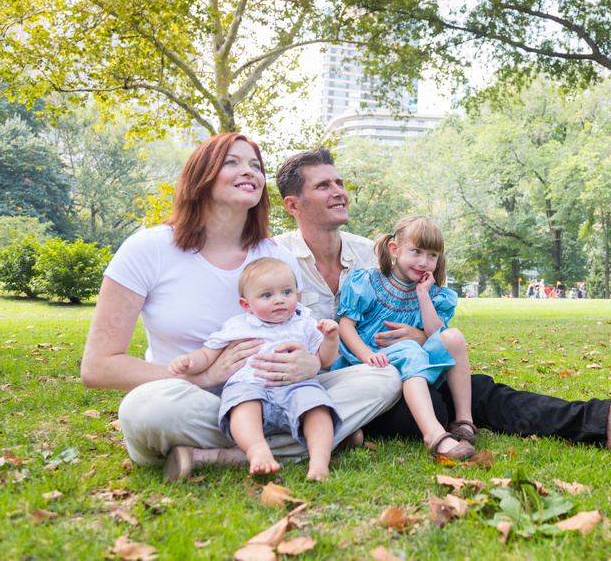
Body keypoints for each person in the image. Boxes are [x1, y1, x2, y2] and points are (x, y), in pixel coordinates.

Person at [273, 147, 611, 451]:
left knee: (478, 390)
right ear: (293, 204)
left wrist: (417, 335)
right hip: (338, 382)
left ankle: (605, 418)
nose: (339, 191)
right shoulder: (274, 258)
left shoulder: (369, 254)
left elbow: (415, 314)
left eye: (340, 182)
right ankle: (379, 429)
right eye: (323, 185)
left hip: (399, 369)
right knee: (434, 406)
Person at [81, 134, 401, 482]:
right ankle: (318, 440)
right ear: (200, 175)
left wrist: (310, 363)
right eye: (231, 162)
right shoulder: (149, 248)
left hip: (280, 396)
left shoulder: (275, 256)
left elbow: (303, 332)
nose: (248, 171)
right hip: (191, 399)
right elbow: (98, 367)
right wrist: (203, 376)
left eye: (255, 165)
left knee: (383, 377)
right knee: (144, 410)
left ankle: (218, 456)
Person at [168, 258, 342, 480]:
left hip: (296, 385)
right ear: (246, 305)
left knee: (318, 408)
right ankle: (257, 449)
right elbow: (206, 353)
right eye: (267, 295)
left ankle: (319, 462)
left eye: (286, 292)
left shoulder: (305, 323)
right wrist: (188, 363)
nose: (279, 300)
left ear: (297, 295)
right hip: (249, 385)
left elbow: (323, 360)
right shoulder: (238, 325)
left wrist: (330, 338)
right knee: (242, 405)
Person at [334, 216, 477, 461]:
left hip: (411, 357)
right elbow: (345, 326)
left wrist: (423, 294)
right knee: (411, 350)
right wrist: (367, 355)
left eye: (432, 255)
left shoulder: (433, 292)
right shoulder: (368, 281)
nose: (424, 262)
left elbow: (436, 335)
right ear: (395, 249)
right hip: (371, 357)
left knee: (453, 336)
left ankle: (464, 421)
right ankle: (433, 436)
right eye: (416, 251)